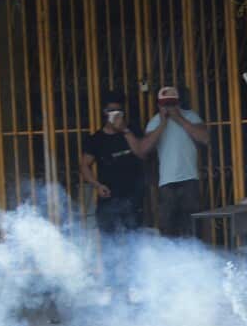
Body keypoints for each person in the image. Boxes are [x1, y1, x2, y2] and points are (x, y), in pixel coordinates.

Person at [142, 86, 209, 237]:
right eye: (166, 104)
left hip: (190, 178)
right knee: (168, 227)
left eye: (172, 103)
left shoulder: (190, 116)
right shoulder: (154, 122)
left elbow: (204, 138)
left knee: (193, 226)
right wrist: (163, 123)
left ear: (179, 103)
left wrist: (178, 118)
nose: (169, 107)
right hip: (166, 182)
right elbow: (144, 149)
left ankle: (196, 256)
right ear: (159, 105)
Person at [81, 90, 147, 235]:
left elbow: (141, 153)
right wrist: (97, 185)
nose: (115, 114)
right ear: (105, 113)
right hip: (108, 199)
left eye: (119, 111)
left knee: (135, 243)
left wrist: (124, 130)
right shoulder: (96, 139)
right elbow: (85, 165)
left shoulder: (132, 132)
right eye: (112, 111)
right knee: (109, 244)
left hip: (133, 198)